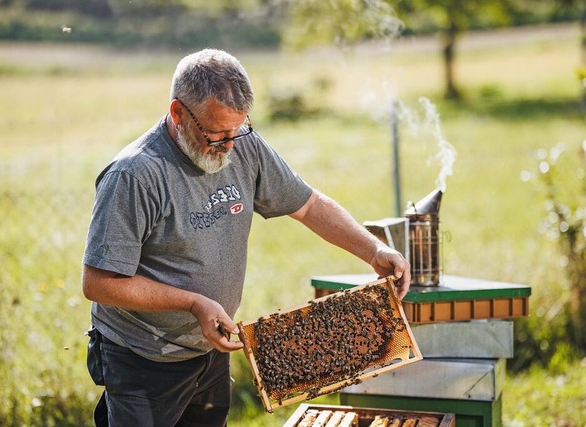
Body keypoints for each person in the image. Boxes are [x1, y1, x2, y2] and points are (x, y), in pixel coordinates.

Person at [81, 48, 410, 427]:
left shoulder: (244, 144)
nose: (230, 145)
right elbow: (99, 282)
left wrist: (374, 249)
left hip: (209, 351)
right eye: (217, 133)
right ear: (178, 113)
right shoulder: (135, 175)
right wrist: (194, 303)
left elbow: (309, 205)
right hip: (142, 359)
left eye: (239, 129)